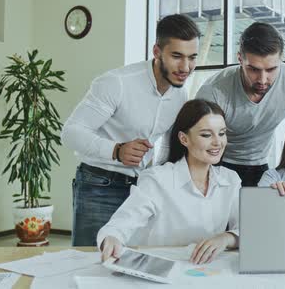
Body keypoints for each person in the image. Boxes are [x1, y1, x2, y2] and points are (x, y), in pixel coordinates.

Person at [61, 14, 201, 246]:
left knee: (133, 261)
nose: (185, 67)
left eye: (192, 57)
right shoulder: (117, 83)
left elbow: (166, 143)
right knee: (89, 262)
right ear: (157, 51)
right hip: (98, 185)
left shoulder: (180, 94)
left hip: (142, 189)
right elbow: (70, 132)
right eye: (177, 56)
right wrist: (116, 150)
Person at [98, 99, 241, 265]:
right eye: (206, 135)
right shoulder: (158, 179)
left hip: (201, 271)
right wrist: (111, 239)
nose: (218, 142)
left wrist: (225, 238)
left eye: (222, 133)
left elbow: (249, 230)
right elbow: (121, 224)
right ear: (184, 139)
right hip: (158, 269)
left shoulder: (230, 179)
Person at [196, 22, 285, 187]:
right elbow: (197, 142)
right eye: (253, 69)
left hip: (259, 164)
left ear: (281, 59)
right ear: (240, 58)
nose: (262, 79)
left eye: (271, 69)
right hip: (217, 162)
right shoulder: (214, 90)